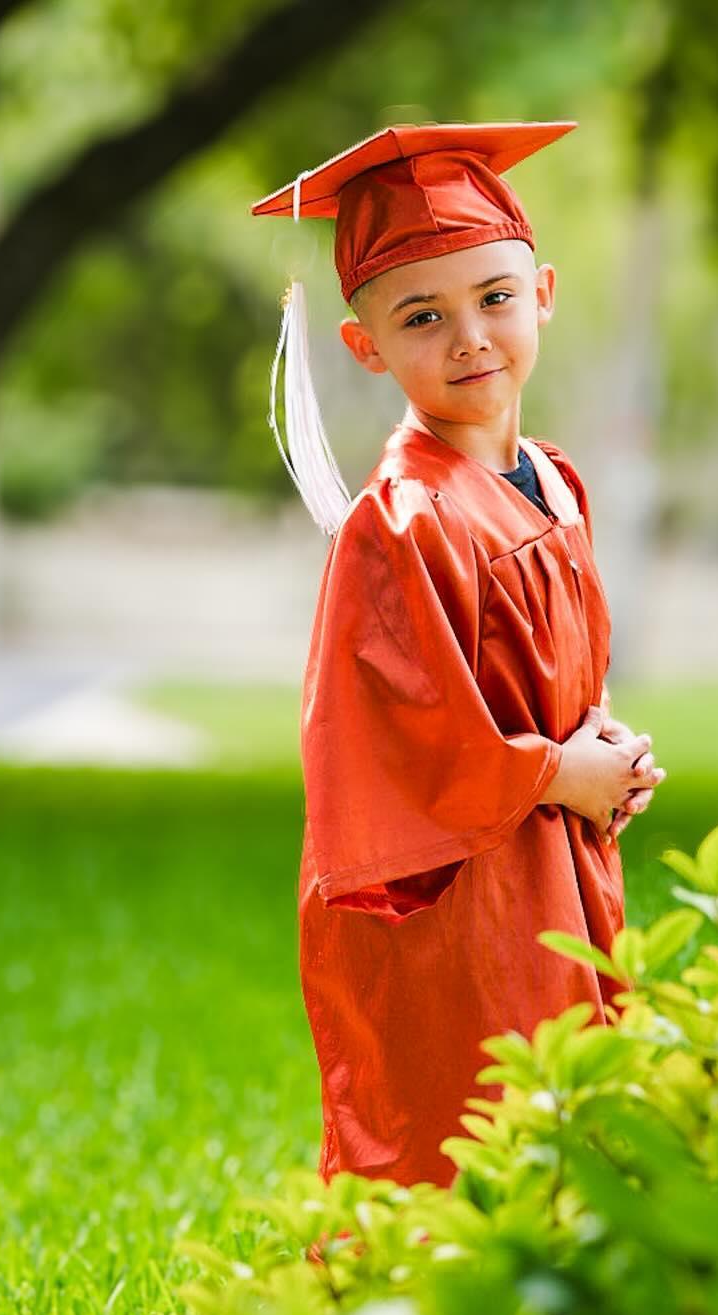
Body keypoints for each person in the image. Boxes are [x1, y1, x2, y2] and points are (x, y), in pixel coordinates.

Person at [251, 120, 663, 1189]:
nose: (470, 336)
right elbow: (402, 738)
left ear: (545, 295)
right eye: (421, 316)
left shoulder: (557, 480)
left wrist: (607, 743)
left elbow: (567, 665)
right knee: (474, 1119)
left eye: (495, 298)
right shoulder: (403, 520)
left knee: (580, 1096)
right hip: (461, 898)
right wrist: (562, 773)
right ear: (365, 346)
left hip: (560, 862)